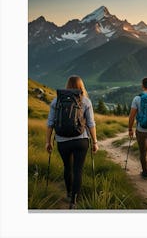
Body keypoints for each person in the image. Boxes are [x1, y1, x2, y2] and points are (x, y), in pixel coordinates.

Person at [46, 75, 98, 209]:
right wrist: (95, 142)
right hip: (81, 140)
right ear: (81, 86)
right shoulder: (85, 101)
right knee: (78, 169)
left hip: (62, 141)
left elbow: (50, 123)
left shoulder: (56, 101)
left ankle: (69, 192)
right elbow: (91, 124)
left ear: (67, 85)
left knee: (67, 167)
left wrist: (48, 142)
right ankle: (74, 200)